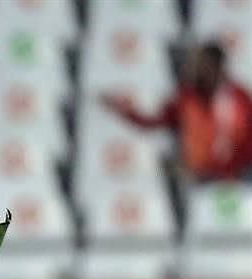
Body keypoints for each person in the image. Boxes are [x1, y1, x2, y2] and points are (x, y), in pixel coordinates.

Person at [101, 42, 252, 182]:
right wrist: (123, 110)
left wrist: (230, 170)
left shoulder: (240, 98)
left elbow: (247, 142)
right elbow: (153, 122)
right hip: (200, 177)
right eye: (196, 65)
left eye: (202, 65)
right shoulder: (186, 98)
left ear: (218, 66)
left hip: (238, 174)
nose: (196, 70)